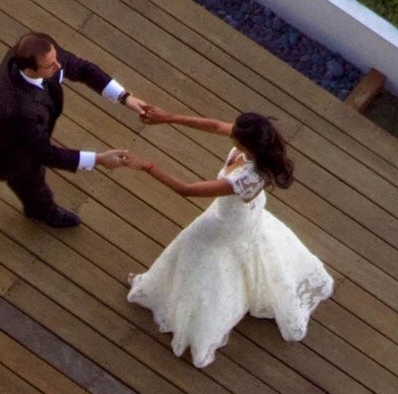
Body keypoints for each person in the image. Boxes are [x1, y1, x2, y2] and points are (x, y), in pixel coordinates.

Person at [118, 108, 333, 367]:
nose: (229, 132)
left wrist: (147, 166)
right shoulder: (258, 148)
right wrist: (168, 117)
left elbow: (187, 190)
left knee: (195, 256)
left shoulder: (246, 177)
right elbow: (213, 125)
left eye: (235, 134)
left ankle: (190, 318)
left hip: (226, 223)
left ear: (247, 144)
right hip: (243, 215)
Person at [0, 30, 153, 228]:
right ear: (31, 70)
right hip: (12, 144)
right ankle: (41, 210)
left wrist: (125, 97)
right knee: (24, 173)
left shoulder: (36, 51)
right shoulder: (19, 110)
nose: (59, 66)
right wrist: (100, 159)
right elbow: (45, 154)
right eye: (50, 66)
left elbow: (82, 68)